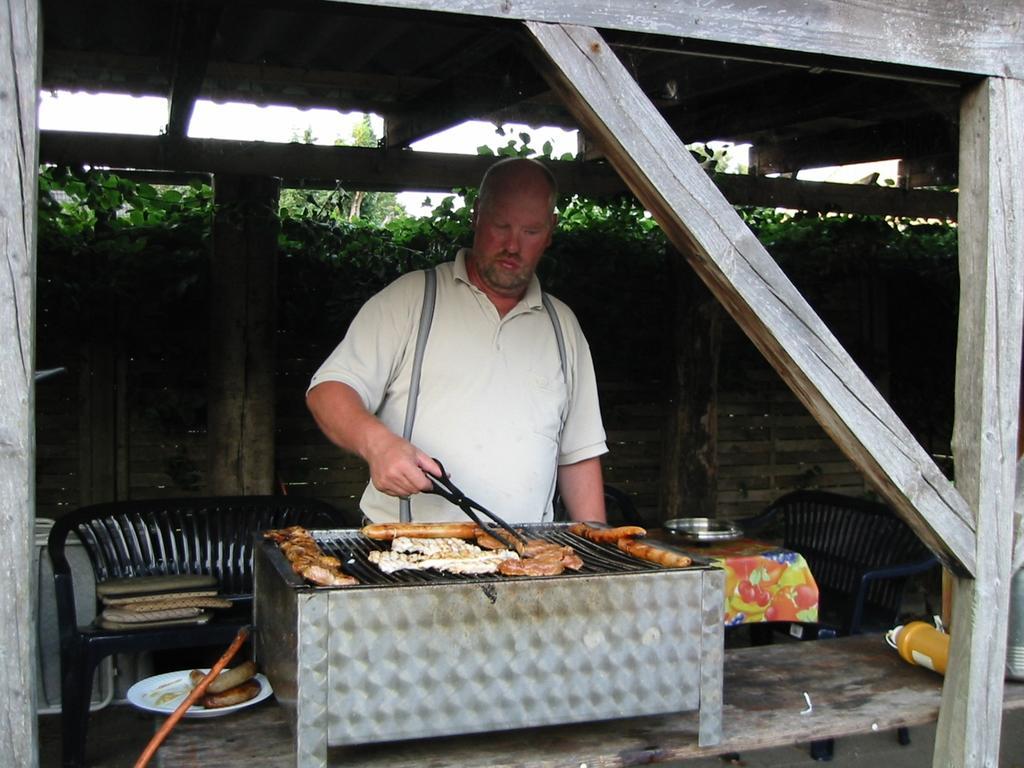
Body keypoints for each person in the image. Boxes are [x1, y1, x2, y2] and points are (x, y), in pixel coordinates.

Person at [306, 157, 607, 524]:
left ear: (551, 231)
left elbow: (579, 456)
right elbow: (329, 390)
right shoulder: (413, 298)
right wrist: (378, 444)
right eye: (501, 225)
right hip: (407, 557)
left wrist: (599, 557)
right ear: (476, 215)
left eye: (530, 231)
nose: (513, 245)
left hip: (526, 562)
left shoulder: (563, 327)